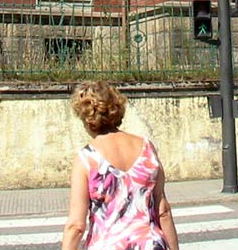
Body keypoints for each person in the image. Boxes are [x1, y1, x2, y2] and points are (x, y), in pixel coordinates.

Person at [62, 81, 180, 250]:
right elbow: (163, 211)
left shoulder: (86, 159)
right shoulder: (146, 147)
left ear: (85, 117)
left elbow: (76, 226)